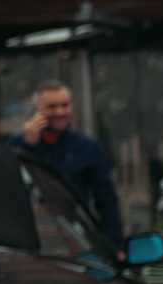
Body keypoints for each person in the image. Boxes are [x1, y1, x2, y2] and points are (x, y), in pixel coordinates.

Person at [10, 81, 122, 244]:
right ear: (37, 111)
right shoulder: (17, 145)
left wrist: (116, 244)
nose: (60, 112)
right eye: (52, 107)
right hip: (29, 239)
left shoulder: (88, 147)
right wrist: (28, 147)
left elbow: (106, 199)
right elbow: (11, 189)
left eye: (65, 105)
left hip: (75, 238)